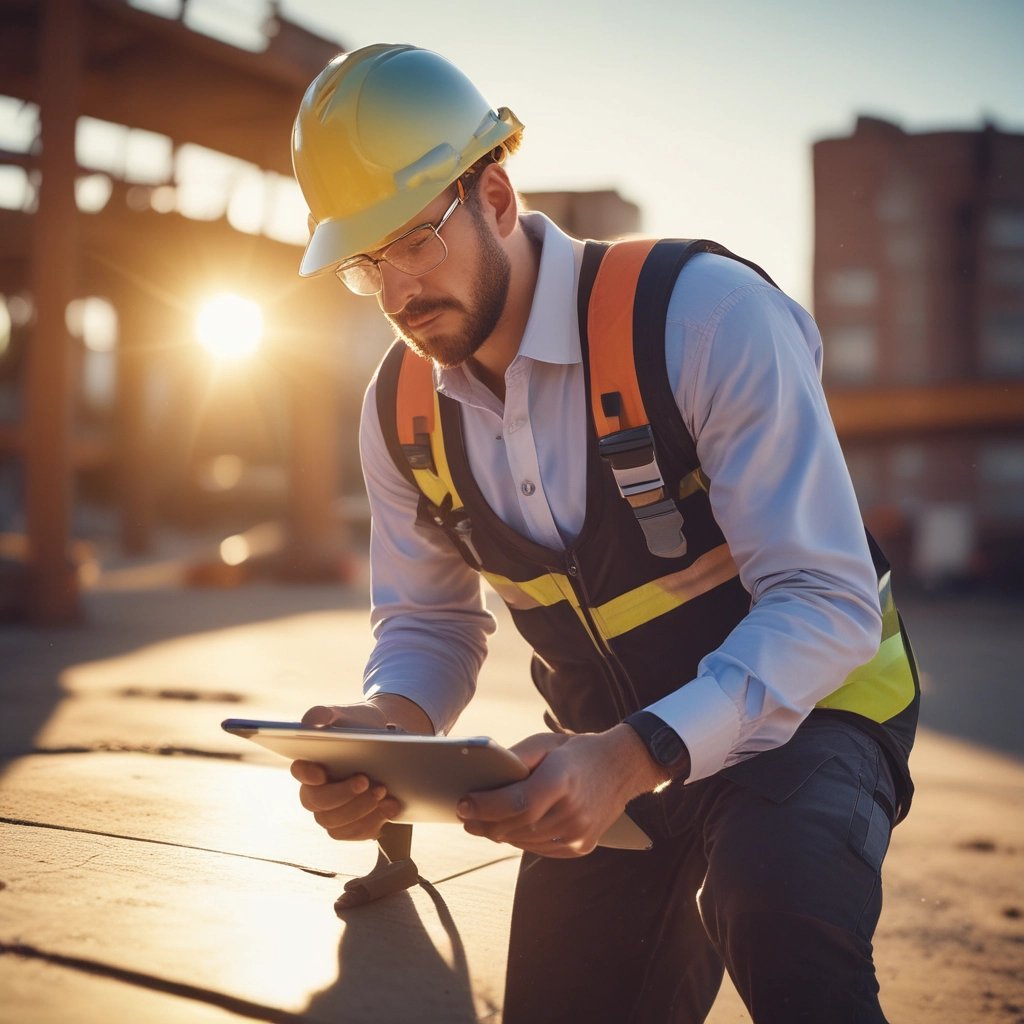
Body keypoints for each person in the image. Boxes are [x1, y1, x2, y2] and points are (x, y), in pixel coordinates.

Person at [287, 43, 919, 1024]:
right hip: (598, 761)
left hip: (810, 717)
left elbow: (826, 598)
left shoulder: (703, 318)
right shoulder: (400, 409)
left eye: (413, 239)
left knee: (776, 905)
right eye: (366, 264)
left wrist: (630, 756)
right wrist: (395, 730)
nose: (397, 293)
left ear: (494, 195)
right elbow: (426, 620)